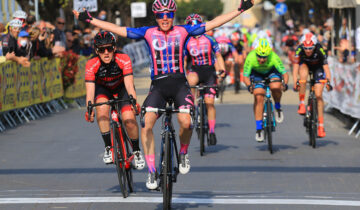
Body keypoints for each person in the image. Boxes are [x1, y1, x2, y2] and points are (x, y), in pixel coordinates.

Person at [74, 0, 254, 190]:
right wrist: (91, 19)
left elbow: (215, 23)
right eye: (161, 15)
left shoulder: (184, 31)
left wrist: (240, 9)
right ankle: (152, 171)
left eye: (169, 14)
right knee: (146, 124)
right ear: (156, 17)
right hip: (158, 86)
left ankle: (183, 154)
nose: (165, 18)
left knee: (186, 121)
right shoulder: (148, 32)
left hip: (179, 84)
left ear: (173, 14)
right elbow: (118, 30)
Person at [85, 31, 145, 170]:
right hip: (103, 89)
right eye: (101, 49)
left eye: (109, 48)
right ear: (96, 51)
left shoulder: (123, 58)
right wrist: (89, 108)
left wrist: (134, 101)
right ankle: (108, 147)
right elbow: (90, 90)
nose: (106, 53)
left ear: (115, 48)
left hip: (122, 88)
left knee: (129, 119)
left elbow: (129, 84)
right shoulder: (91, 64)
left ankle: (136, 151)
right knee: (101, 108)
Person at [183, 13, 226, 146]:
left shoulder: (210, 39)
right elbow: (184, 61)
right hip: (196, 70)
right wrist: (182, 74)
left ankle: (212, 131)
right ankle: (193, 107)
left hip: (209, 71)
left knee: (209, 103)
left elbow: (218, 56)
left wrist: (222, 70)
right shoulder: (186, 42)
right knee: (190, 82)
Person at [243, 39, 289, 142]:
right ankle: (259, 129)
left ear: (269, 54)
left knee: (275, 86)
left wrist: (284, 84)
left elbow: (285, 74)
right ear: (256, 53)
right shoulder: (250, 57)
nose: (262, 60)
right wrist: (249, 86)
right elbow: (245, 76)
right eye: (259, 57)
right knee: (258, 95)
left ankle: (277, 106)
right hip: (257, 74)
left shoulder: (274, 57)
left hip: (271, 71)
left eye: (264, 57)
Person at [293, 32, 332, 138]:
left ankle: (320, 125)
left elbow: (326, 68)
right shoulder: (299, 49)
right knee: (303, 77)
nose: (308, 50)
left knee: (319, 95)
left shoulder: (320, 50)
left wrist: (328, 81)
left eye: (310, 48)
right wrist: (295, 81)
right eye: (306, 48)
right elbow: (296, 66)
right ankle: (302, 103)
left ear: (314, 46)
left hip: (318, 68)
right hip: (304, 65)